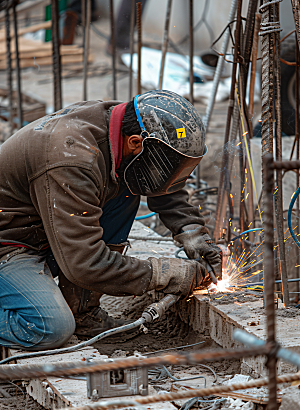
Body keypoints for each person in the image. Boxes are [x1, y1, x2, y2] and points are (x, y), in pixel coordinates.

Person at [0, 90, 222, 351]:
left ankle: (83, 312)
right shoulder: (72, 158)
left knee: (127, 183)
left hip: (44, 228)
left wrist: (193, 233)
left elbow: (162, 184)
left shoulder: (126, 125)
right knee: (51, 327)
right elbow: (84, 264)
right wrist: (164, 273)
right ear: (137, 143)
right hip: (11, 242)